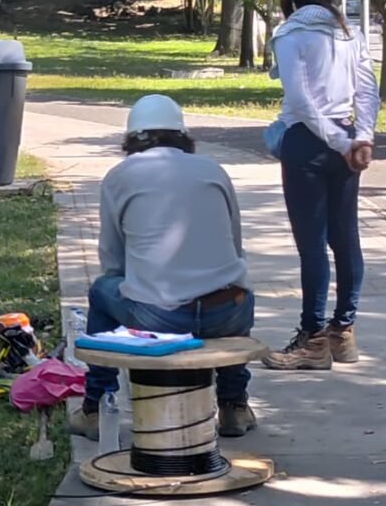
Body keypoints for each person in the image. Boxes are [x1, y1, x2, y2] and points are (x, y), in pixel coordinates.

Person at [69, 95, 256, 440]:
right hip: (225, 314)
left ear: (131, 139)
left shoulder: (119, 176)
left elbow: (112, 262)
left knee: (101, 291)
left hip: (160, 316)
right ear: (183, 136)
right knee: (241, 293)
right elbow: (235, 249)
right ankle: (234, 405)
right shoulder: (214, 170)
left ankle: (95, 406)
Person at [261, 0, 380, 370]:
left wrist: (338, 141)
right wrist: (359, 137)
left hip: (309, 144)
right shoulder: (350, 32)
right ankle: (342, 332)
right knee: (345, 237)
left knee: (312, 244)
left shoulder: (290, 34)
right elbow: (367, 90)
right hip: (344, 141)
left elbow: (301, 99)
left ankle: (312, 340)